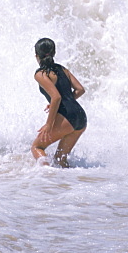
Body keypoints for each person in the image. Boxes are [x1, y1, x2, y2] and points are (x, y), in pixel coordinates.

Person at [31, 38, 87, 167]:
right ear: (54, 53)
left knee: (37, 147)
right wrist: (65, 102)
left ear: (36, 55)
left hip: (67, 118)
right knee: (60, 160)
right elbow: (80, 90)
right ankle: (65, 184)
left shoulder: (41, 74)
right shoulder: (63, 69)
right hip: (81, 117)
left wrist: (48, 125)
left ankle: (47, 179)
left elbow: (56, 97)